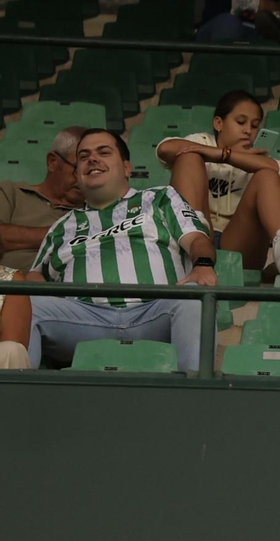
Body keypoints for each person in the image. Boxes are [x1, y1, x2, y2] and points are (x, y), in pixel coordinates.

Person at [22, 129, 217, 371]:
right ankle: (17, 400)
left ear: (127, 168)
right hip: (84, 320)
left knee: (195, 298)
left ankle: (193, 399)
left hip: (155, 311)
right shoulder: (61, 226)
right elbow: (35, 275)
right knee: (22, 304)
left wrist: (203, 265)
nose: (92, 159)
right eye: (84, 156)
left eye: (103, 152)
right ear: (77, 175)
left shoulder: (160, 198)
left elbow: (197, 239)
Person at [156, 90, 280, 275]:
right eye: (240, 122)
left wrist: (227, 155)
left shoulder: (258, 158)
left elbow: (277, 170)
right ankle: (195, 234)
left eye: (255, 125)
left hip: (238, 245)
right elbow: (165, 149)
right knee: (188, 157)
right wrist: (214, 152)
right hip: (195, 237)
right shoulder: (200, 141)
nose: (248, 130)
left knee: (266, 175)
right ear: (218, 123)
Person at [0, 126, 86, 270]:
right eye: (77, 169)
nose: (83, 179)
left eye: (89, 172)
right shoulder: (11, 192)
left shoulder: (93, 213)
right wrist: (65, 234)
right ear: (52, 162)